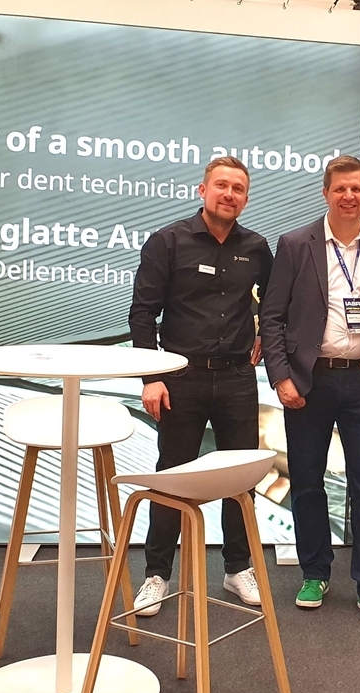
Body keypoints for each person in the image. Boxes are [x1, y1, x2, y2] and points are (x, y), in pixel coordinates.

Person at [259, 155, 360, 627]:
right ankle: (315, 573)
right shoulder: (295, 244)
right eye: (340, 188)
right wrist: (281, 376)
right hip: (309, 381)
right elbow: (272, 317)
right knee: (306, 481)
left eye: (356, 189)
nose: (348, 196)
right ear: (325, 193)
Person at [128, 155, 274, 615]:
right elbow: (142, 314)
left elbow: (274, 305)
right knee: (171, 477)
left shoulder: (256, 247)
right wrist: (151, 377)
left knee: (240, 477)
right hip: (180, 378)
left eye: (238, 189)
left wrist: (264, 334)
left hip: (237, 378)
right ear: (203, 190)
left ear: (246, 198)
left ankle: (237, 568)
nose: (229, 194)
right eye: (221, 186)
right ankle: (157, 575)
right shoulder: (168, 241)